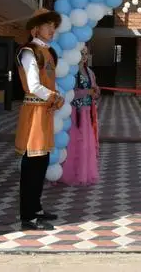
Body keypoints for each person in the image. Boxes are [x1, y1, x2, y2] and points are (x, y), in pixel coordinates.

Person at [15, 8, 66, 231]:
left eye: (54, 26)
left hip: (45, 111)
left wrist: (54, 97)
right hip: (34, 112)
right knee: (32, 165)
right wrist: (54, 96)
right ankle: (28, 216)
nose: (52, 30)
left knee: (42, 162)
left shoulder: (48, 52)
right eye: (48, 26)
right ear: (36, 28)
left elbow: (48, 83)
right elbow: (34, 86)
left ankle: (36, 208)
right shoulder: (29, 52)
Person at [60, 45, 100, 186]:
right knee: (73, 142)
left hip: (87, 113)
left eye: (86, 54)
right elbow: (69, 93)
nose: (84, 56)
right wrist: (86, 92)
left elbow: (94, 89)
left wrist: (95, 91)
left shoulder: (90, 72)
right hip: (74, 113)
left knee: (85, 144)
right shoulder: (71, 72)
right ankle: (69, 173)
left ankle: (82, 172)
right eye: (81, 53)